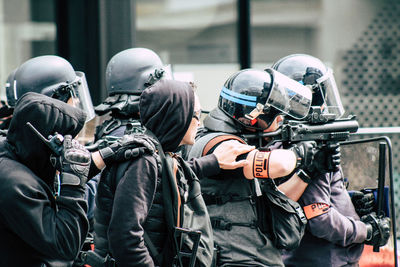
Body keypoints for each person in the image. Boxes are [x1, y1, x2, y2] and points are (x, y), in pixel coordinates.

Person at [93, 79, 256, 267]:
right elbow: (125, 238)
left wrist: (214, 162)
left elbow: (170, 175)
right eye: (195, 114)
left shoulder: (157, 155)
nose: (199, 122)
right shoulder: (143, 162)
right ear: (178, 117)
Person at [187, 68, 340, 266]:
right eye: (275, 115)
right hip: (235, 259)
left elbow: (270, 203)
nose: (280, 120)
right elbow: (279, 164)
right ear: (252, 116)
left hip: (252, 257)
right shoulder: (219, 143)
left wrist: (308, 171)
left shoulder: (237, 140)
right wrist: (301, 153)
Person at [272, 54, 391, 267]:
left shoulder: (281, 144)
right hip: (327, 260)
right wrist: (367, 231)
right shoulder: (310, 149)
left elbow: (308, 203)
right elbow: (320, 219)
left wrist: (349, 200)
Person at [0, 92, 92, 266]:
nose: (72, 147)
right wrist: (74, 184)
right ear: (48, 140)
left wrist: (109, 154)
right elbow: (65, 245)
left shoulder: (17, 152)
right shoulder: (16, 185)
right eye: (68, 141)